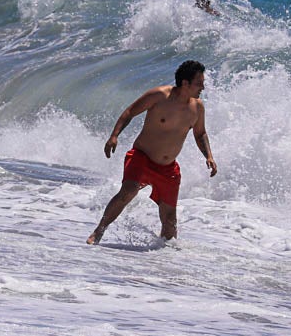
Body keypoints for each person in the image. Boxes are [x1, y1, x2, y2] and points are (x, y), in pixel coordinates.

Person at [86, 60, 217, 244]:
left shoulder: (197, 107)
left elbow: (200, 133)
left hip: (168, 168)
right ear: (185, 83)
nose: (203, 87)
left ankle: (164, 254)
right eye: (199, 83)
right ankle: (99, 230)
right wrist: (114, 136)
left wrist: (209, 156)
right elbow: (130, 112)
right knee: (128, 192)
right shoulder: (159, 96)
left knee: (170, 219)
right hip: (142, 157)